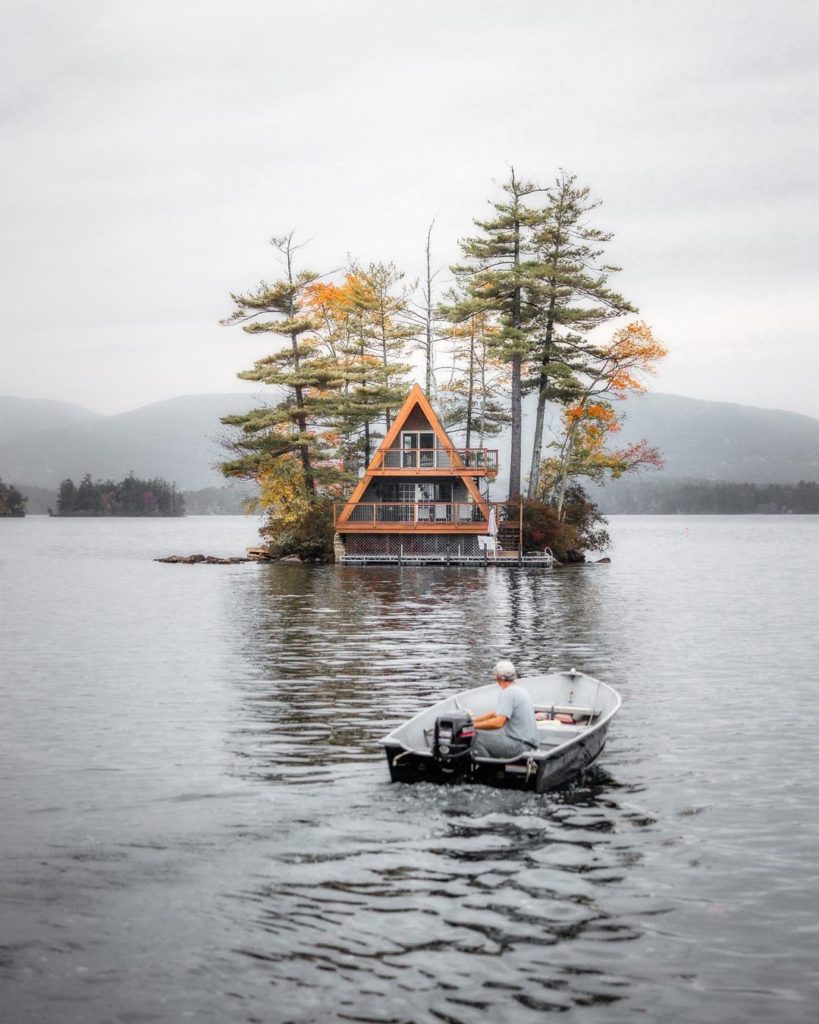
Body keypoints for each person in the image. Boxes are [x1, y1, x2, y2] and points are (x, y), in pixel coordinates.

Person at [471, 660, 539, 759]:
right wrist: (472, 721)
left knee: (475, 738)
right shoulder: (520, 689)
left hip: (520, 746)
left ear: (499, 677)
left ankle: (486, 769)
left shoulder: (508, 693)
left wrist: (472, 727)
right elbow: (495, 714)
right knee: (483, 733)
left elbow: (498, 723)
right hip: (529, 744)